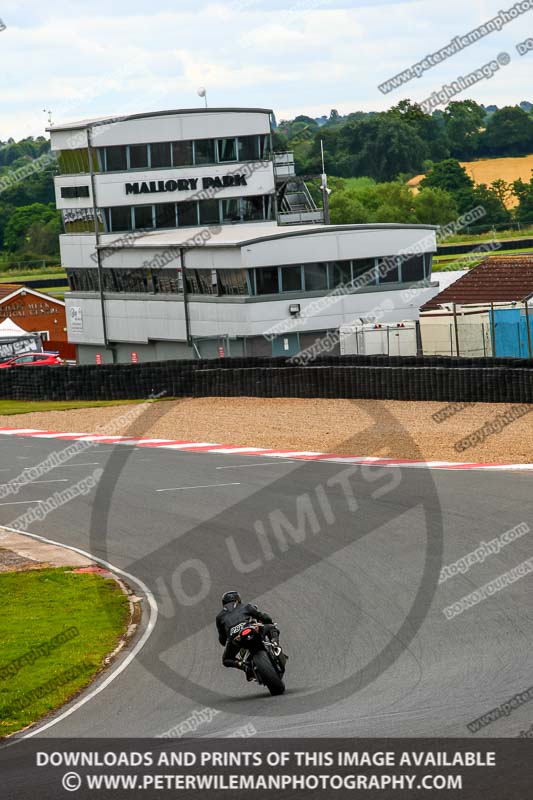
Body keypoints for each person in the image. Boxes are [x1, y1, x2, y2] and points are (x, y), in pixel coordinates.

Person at [216, 590, 280, 678]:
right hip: (251, 630)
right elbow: (264, 617)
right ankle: (275, 645)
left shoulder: (219, 617)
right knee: (272, 627)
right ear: (238, 599)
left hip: (236, 638)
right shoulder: (245, 606)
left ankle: (244, 666)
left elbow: (222, 639)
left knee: (226, 660)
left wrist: (228, 639)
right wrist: (269, 621)